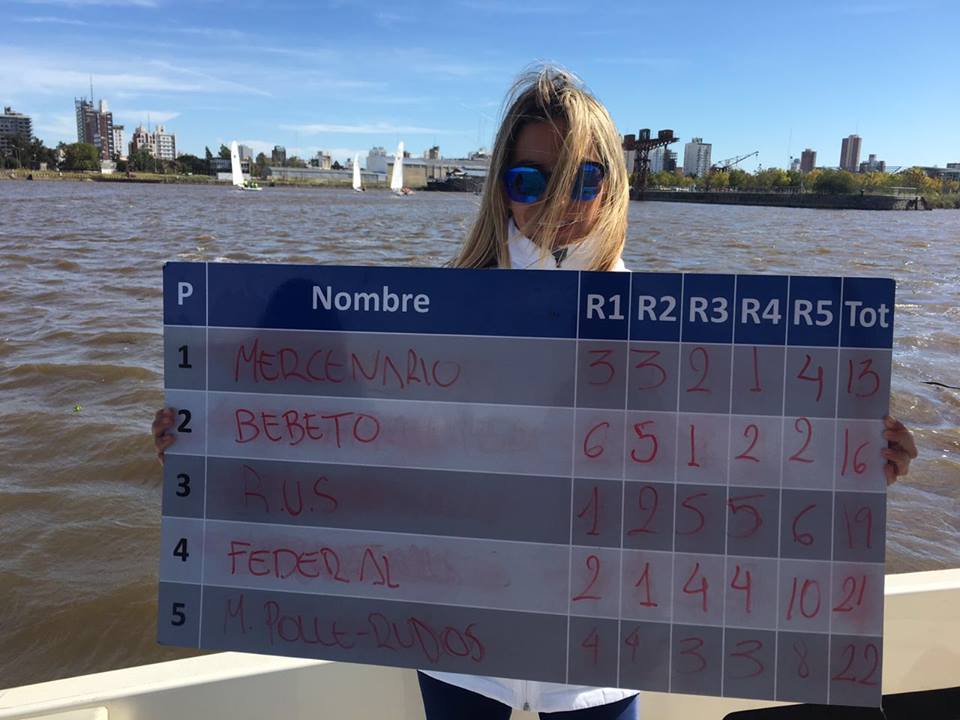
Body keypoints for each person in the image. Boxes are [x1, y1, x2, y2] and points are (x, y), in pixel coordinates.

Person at [153, 66, 918, 720]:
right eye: (530, 179)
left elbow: (726, 466)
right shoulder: (431, 319)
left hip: (603, 649)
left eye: (582, 178)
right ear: (502, 189)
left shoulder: (680, 332)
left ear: (612, 184)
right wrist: (211, 437)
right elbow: (354, 450)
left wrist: (846, 465)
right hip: (455, 638)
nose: (557, 201)